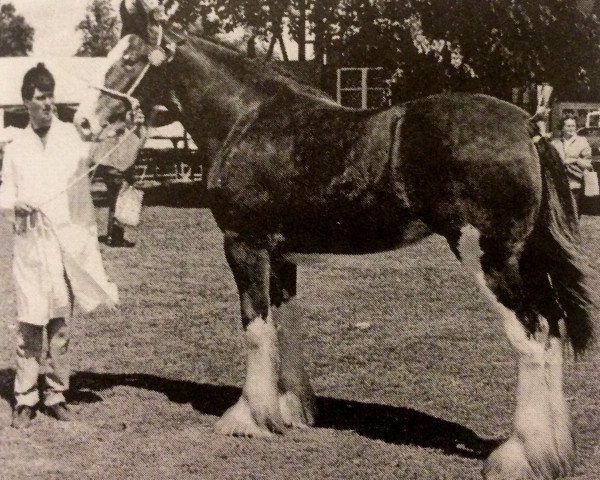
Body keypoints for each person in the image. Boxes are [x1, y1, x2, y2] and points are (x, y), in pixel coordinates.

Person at [0, 63, 118, 429]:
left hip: (64, 243)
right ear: (26, 102)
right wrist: (13, 204)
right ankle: (25, 397)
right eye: (40, 97)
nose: (48, 103)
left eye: (51, 95)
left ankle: (55, 393)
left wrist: (129, 129)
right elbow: (6, 189)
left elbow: (111, 154)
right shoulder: (16, 143)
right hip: (31, 243)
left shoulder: (70, 136)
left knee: (59, 325)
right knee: (30, 324)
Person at [550, 115, 593, 216]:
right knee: (559, 214)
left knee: (574, 213)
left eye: (573, 126)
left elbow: (588, 164)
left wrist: (574, 160)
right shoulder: (554, 143)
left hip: (575, 184)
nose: (571, 128)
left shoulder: (582, 142)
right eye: (568, 126)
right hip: (558, 184)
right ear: (562, 127)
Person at [97, 165, 136, 247]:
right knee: (120, 205)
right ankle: (117, 238)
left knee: (114, 205)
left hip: (109, 172)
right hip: (120, 173)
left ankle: (110, 236)